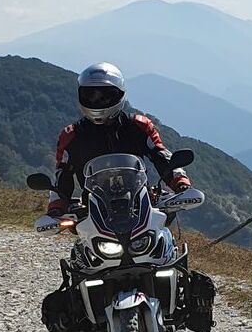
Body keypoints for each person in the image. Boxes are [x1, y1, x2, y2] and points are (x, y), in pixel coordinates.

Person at [46, 63, 192, 220]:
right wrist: (57, 206)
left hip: (140, 206)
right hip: (93, 212)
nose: (97, 101)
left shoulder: (139, 126)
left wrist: (180, 182)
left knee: (162, 230)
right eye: (90, 95)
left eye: (105, 96)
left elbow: (161, 155)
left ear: (119, 95)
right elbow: (62, 174)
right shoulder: (71, 136)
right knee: (77, 234)